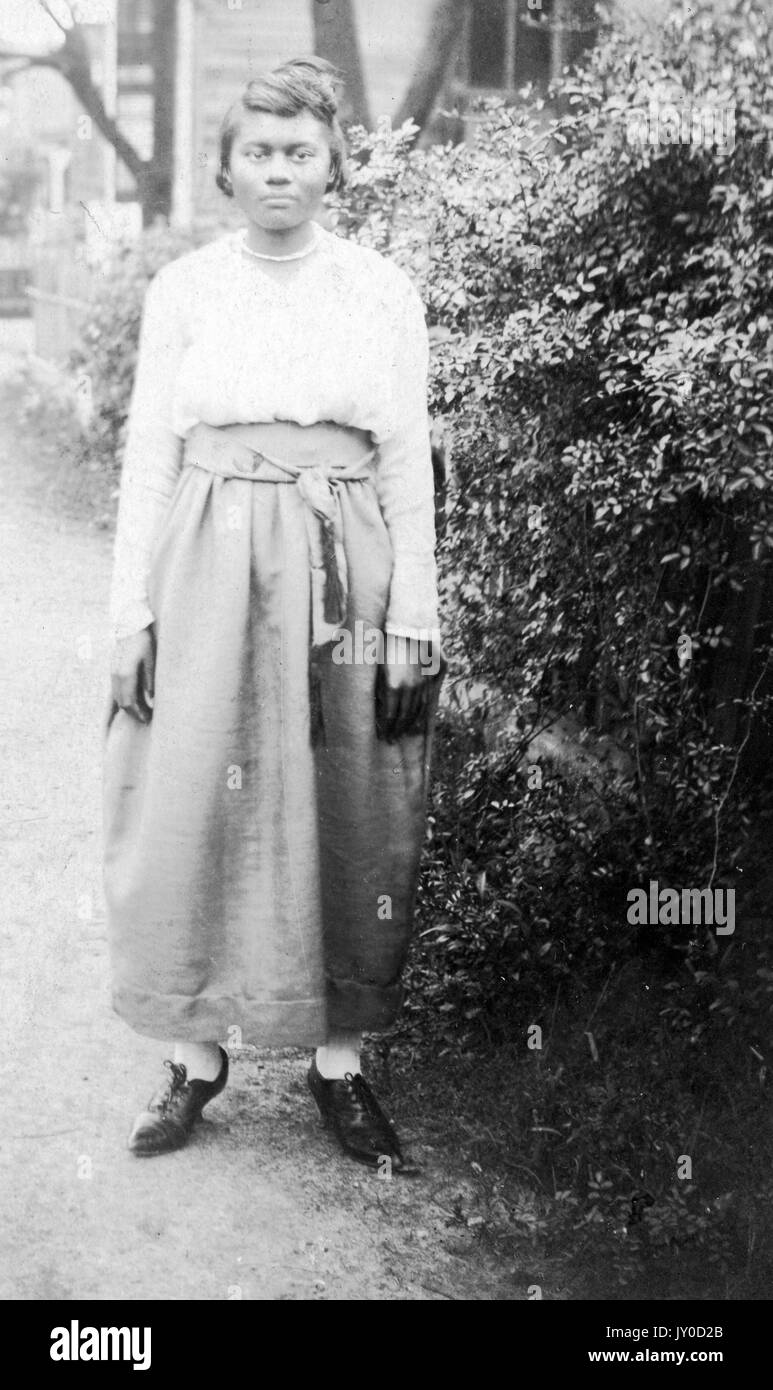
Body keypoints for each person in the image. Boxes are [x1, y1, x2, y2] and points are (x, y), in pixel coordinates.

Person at [102, 56, 442, 1174]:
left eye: (301, 151)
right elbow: (148, 453)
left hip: (341, 556)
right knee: (194, 782)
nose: (280, 171)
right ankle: (197, 1055)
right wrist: (129, 613)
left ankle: (339, 1063)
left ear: (334, 162)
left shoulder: (380, 291)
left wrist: (414, 618)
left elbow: (404, 462)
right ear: (226, 168)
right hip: (204, 555)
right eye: (259, 152)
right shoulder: (185, 291)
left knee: (349, 789)